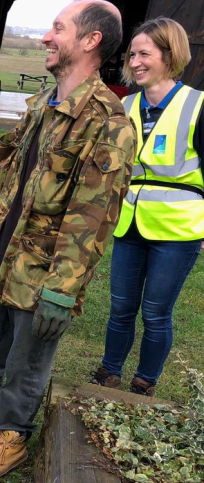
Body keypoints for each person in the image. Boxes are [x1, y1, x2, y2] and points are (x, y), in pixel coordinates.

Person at [0, 0, 136, 480]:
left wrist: (63, 288)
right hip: (3, 256)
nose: (45, 38)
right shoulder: (44, 103)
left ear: (90, 40)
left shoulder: (108, 122)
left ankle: (13, 434)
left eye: (57, 28)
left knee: (26, 359)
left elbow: (94, 216)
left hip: (45, 273)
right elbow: (11, 187)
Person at [90, 18, 203, 397]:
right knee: (120, 307)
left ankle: (144, 382)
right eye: (132, 54)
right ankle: (109, 372)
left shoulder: (198, 104)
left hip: (179, 231)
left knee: (156, 313)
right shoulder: (124, 105)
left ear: (170, 56)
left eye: (144, 54)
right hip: (129, 224)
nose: (135, 62)